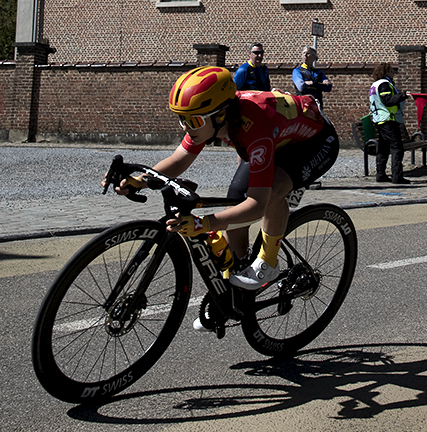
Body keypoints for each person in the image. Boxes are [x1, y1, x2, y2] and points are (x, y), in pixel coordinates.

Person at [111, 66, 339, 306]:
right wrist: (141, 180)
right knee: (235, 198)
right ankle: (240, 283)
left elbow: (256, 205)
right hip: (277, 137)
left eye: (192, 120)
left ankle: (269, 262)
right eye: (182, 119)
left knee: (272, 190)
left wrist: (203, 223)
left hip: (316, 141)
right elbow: (179, 160)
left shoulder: (254, 126)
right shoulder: (207, 119)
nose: (186, 128)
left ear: (220, 115)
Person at [369, 62, 409, 185]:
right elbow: (388, 101)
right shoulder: (384, 84)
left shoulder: (375, 84)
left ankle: (380, 174)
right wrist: (403, 95)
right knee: (397, 148)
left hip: (380, 120)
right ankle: (397, 177)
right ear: (386, 72)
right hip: (388, 119)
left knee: (384, 147)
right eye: (392, 71)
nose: (393, 73)